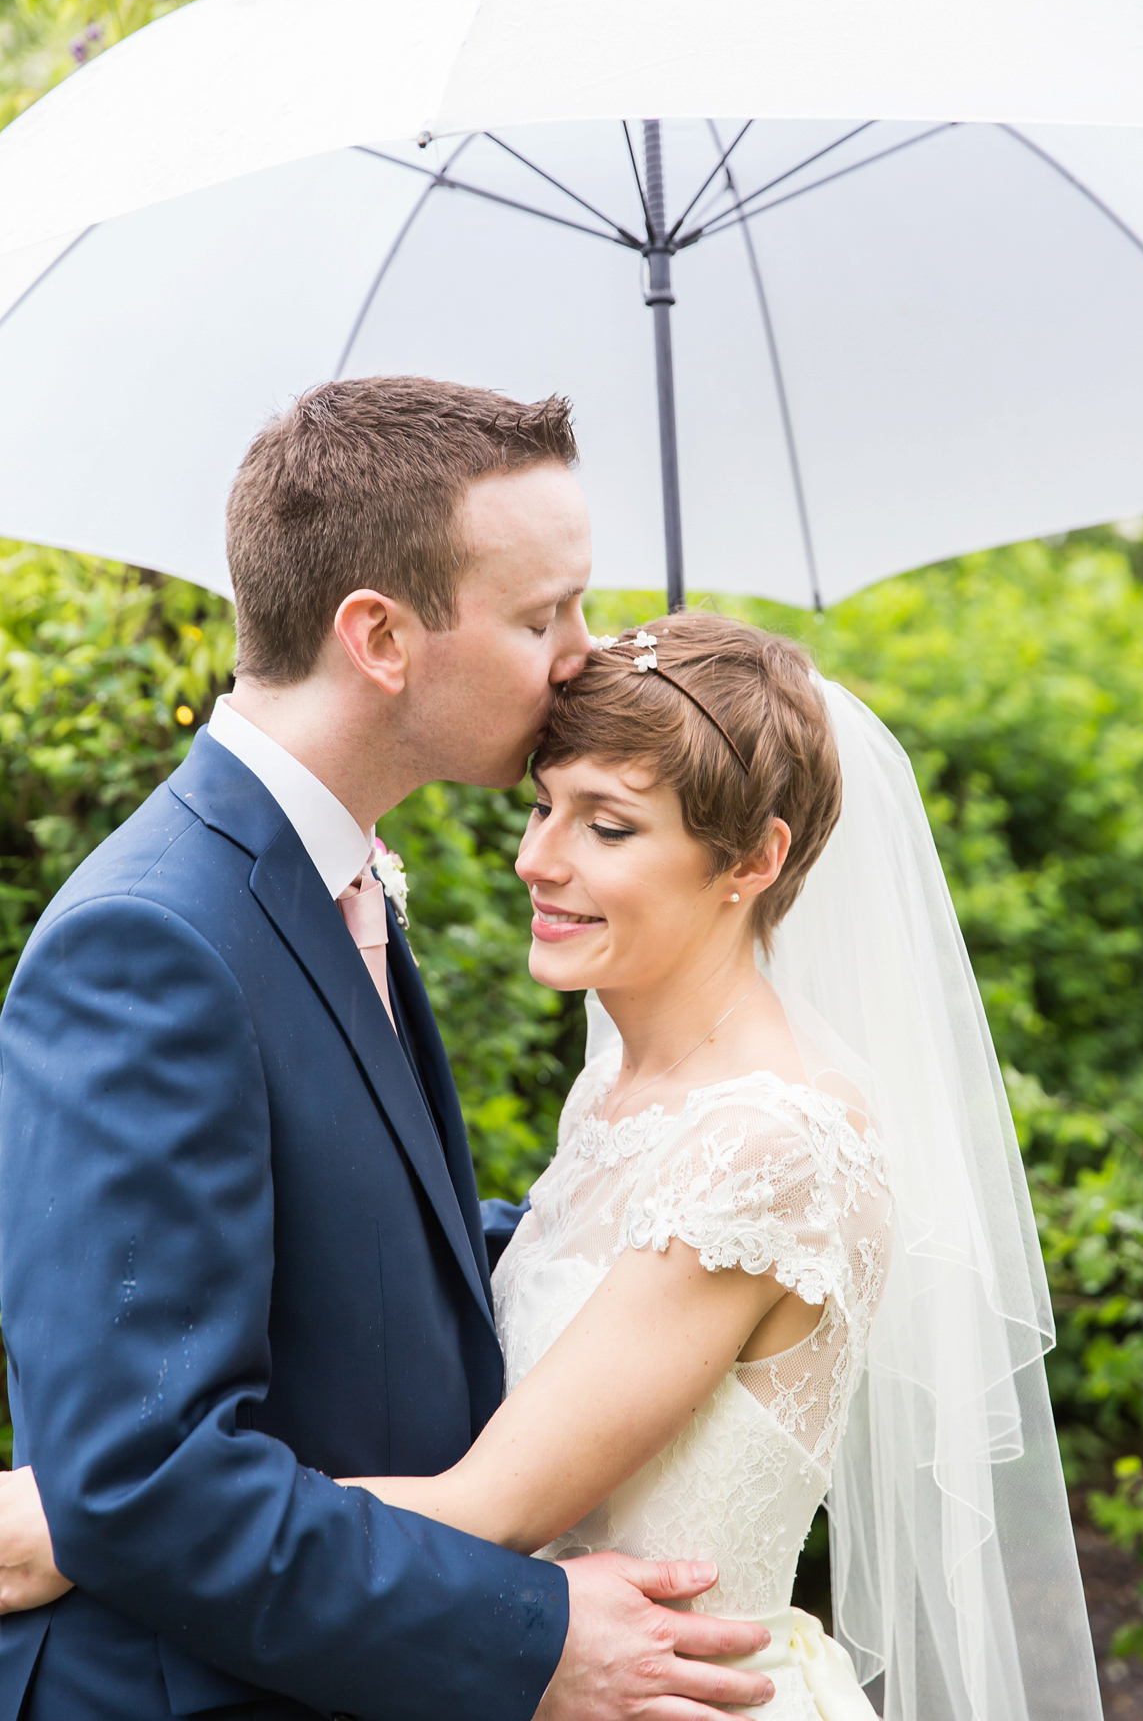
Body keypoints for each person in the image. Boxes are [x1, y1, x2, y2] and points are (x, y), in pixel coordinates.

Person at [1, 604, 1106, 1721]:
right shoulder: (622, 1091)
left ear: (755, 858)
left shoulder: (771, 1152)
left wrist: (89, 1523)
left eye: (609, 827)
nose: (538, 858)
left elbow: (490, 1506)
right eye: (542, 805)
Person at [0, 379, 777, 1721]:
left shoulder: (323, 876)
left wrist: (674, 1209)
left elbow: (348, 1252)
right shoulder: (152, 943)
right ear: (380, 637)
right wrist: (530, 1640)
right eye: (544, 616)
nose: (585, 655)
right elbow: (144, 1482)